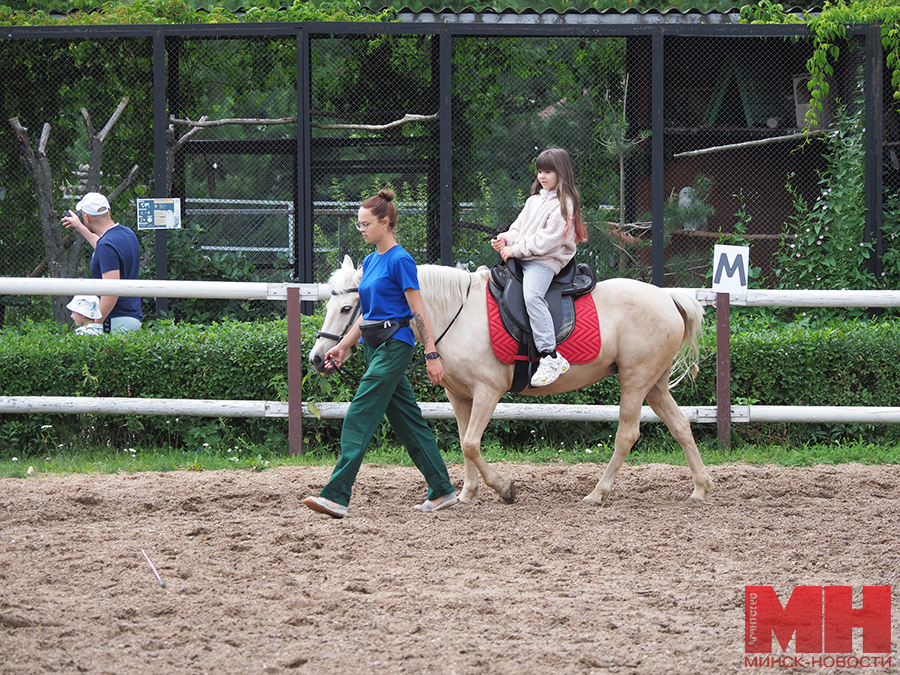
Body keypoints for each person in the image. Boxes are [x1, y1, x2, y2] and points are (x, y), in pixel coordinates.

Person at [304, 189, 458, 519]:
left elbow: (418, 310)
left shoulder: (401, 260)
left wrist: (432, 354)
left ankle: (336, 495)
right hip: (373, 346)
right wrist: (343, 346)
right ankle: (442, 489)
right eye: (359, 224)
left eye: (365, 224)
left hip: (396, 345)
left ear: (385, 223)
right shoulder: (372, 261)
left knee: (360, 413)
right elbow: (366, 314)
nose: (361, 229)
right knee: (407, 421)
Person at [491, 147, 588, 387]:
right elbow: (518, 228)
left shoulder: (565, 205)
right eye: (539, 172)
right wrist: (505, 239)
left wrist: (515, 250)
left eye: (547, 172)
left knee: (533, 296)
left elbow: (547, 240)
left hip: (544, 262)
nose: (542, 177)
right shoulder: (534, 201)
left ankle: (550, 355)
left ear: (561, 173)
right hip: (524, 256)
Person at [61, 192, 142, 333]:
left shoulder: (107, 245)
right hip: (130, 317)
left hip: (114, 321)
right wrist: (80, 227)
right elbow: (102, 249)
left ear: (86, 217)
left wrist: (96, 324)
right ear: (108, 211)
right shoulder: (126, 234)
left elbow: (111, 292)